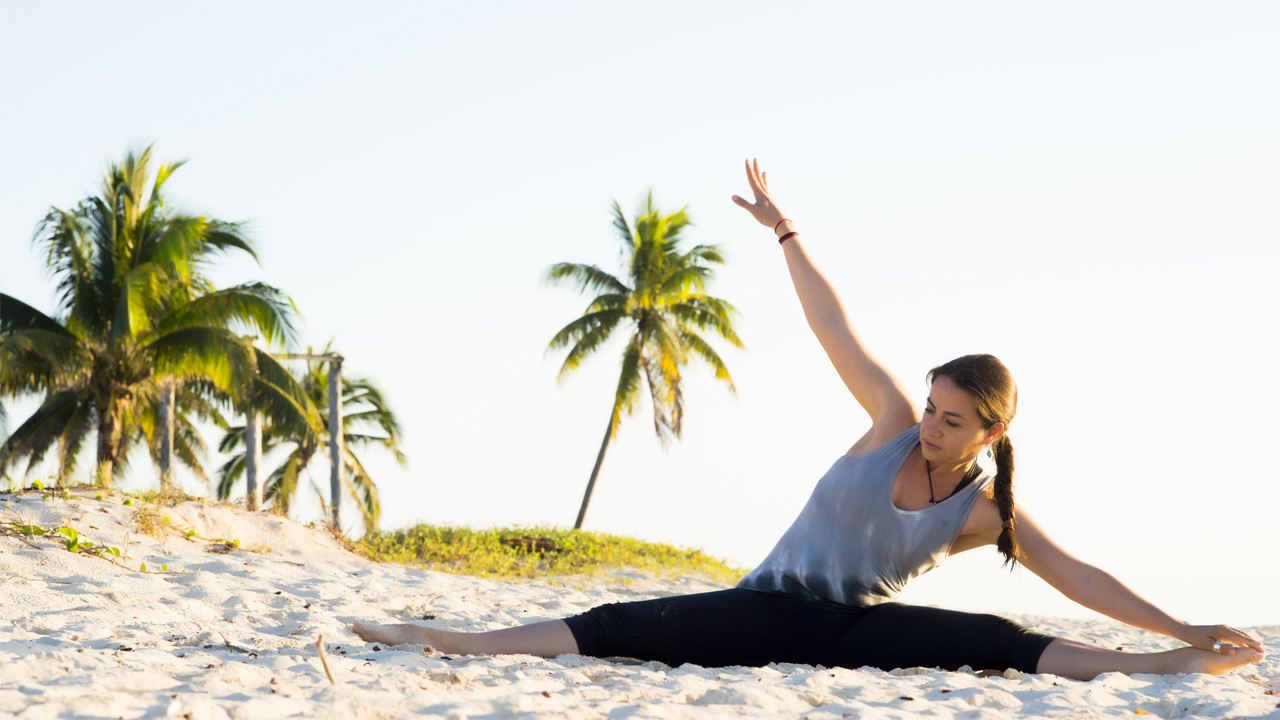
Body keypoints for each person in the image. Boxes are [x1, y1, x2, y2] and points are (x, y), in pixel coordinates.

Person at [353, 159, 1265, 681]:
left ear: (990, 433)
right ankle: (453, 639)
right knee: (626, 619)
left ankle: (1155, 670)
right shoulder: (888, 420)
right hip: (765, 610)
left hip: (854, 635)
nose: (933, 428)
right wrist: (788, 234)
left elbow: (1079, 576)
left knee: (992, 641)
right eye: (933, 407)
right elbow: (835, 326)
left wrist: (1183, 629)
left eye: (954, 421)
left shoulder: (987, 508)